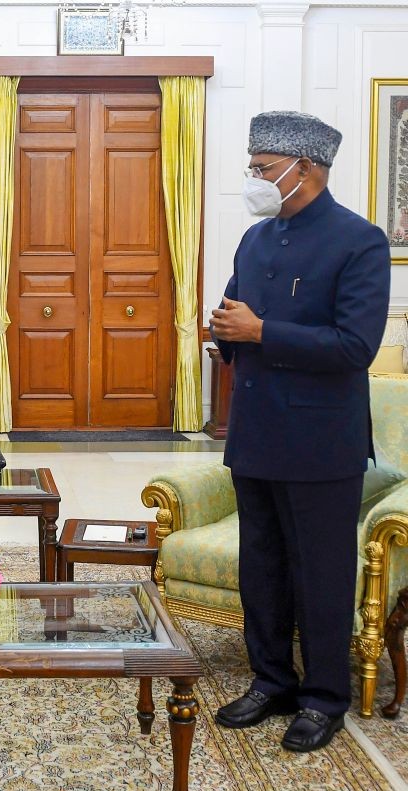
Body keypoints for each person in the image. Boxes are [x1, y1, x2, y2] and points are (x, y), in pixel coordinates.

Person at [208, 112, 391, 752]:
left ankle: (323, 698)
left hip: (320, 443)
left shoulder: (358, 241)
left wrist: (260, 332)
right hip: (256, 432)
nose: (255, 179)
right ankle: (272, 681)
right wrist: (223, 329)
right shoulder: (256, 240)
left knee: (320, 572)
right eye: (254, 168)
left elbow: (355, 347)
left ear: (303, 169)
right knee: (262, 565)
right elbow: (235, 315)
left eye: (262, 169)